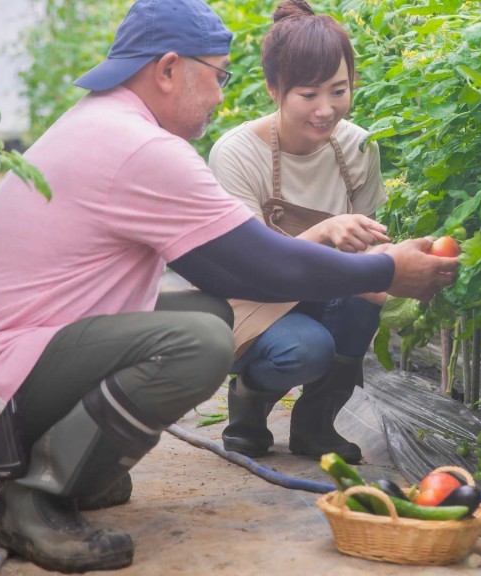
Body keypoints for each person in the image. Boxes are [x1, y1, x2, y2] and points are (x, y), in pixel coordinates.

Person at [0, 0, 457, 572]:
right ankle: (33, 499)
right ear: (169, 69)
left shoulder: (104, 122)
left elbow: (218, 278)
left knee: (208, 316)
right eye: (218, 75)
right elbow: (257, 267)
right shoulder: (138, 147)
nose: (223, 95)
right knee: (200, 344)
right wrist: (388, 270)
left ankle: (77, 471)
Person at [209, 0, 386, 465]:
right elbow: (248, 269)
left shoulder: (358, 146)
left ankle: (315, 426)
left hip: (320, 287)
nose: (326, 110)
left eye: (339, 90)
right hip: (251, 299)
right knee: (307, 348)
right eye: (308, 95)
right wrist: (327, 230)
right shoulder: (236, 155)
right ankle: (248, 398)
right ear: (274, 89)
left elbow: (368, 248)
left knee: (364, 299)